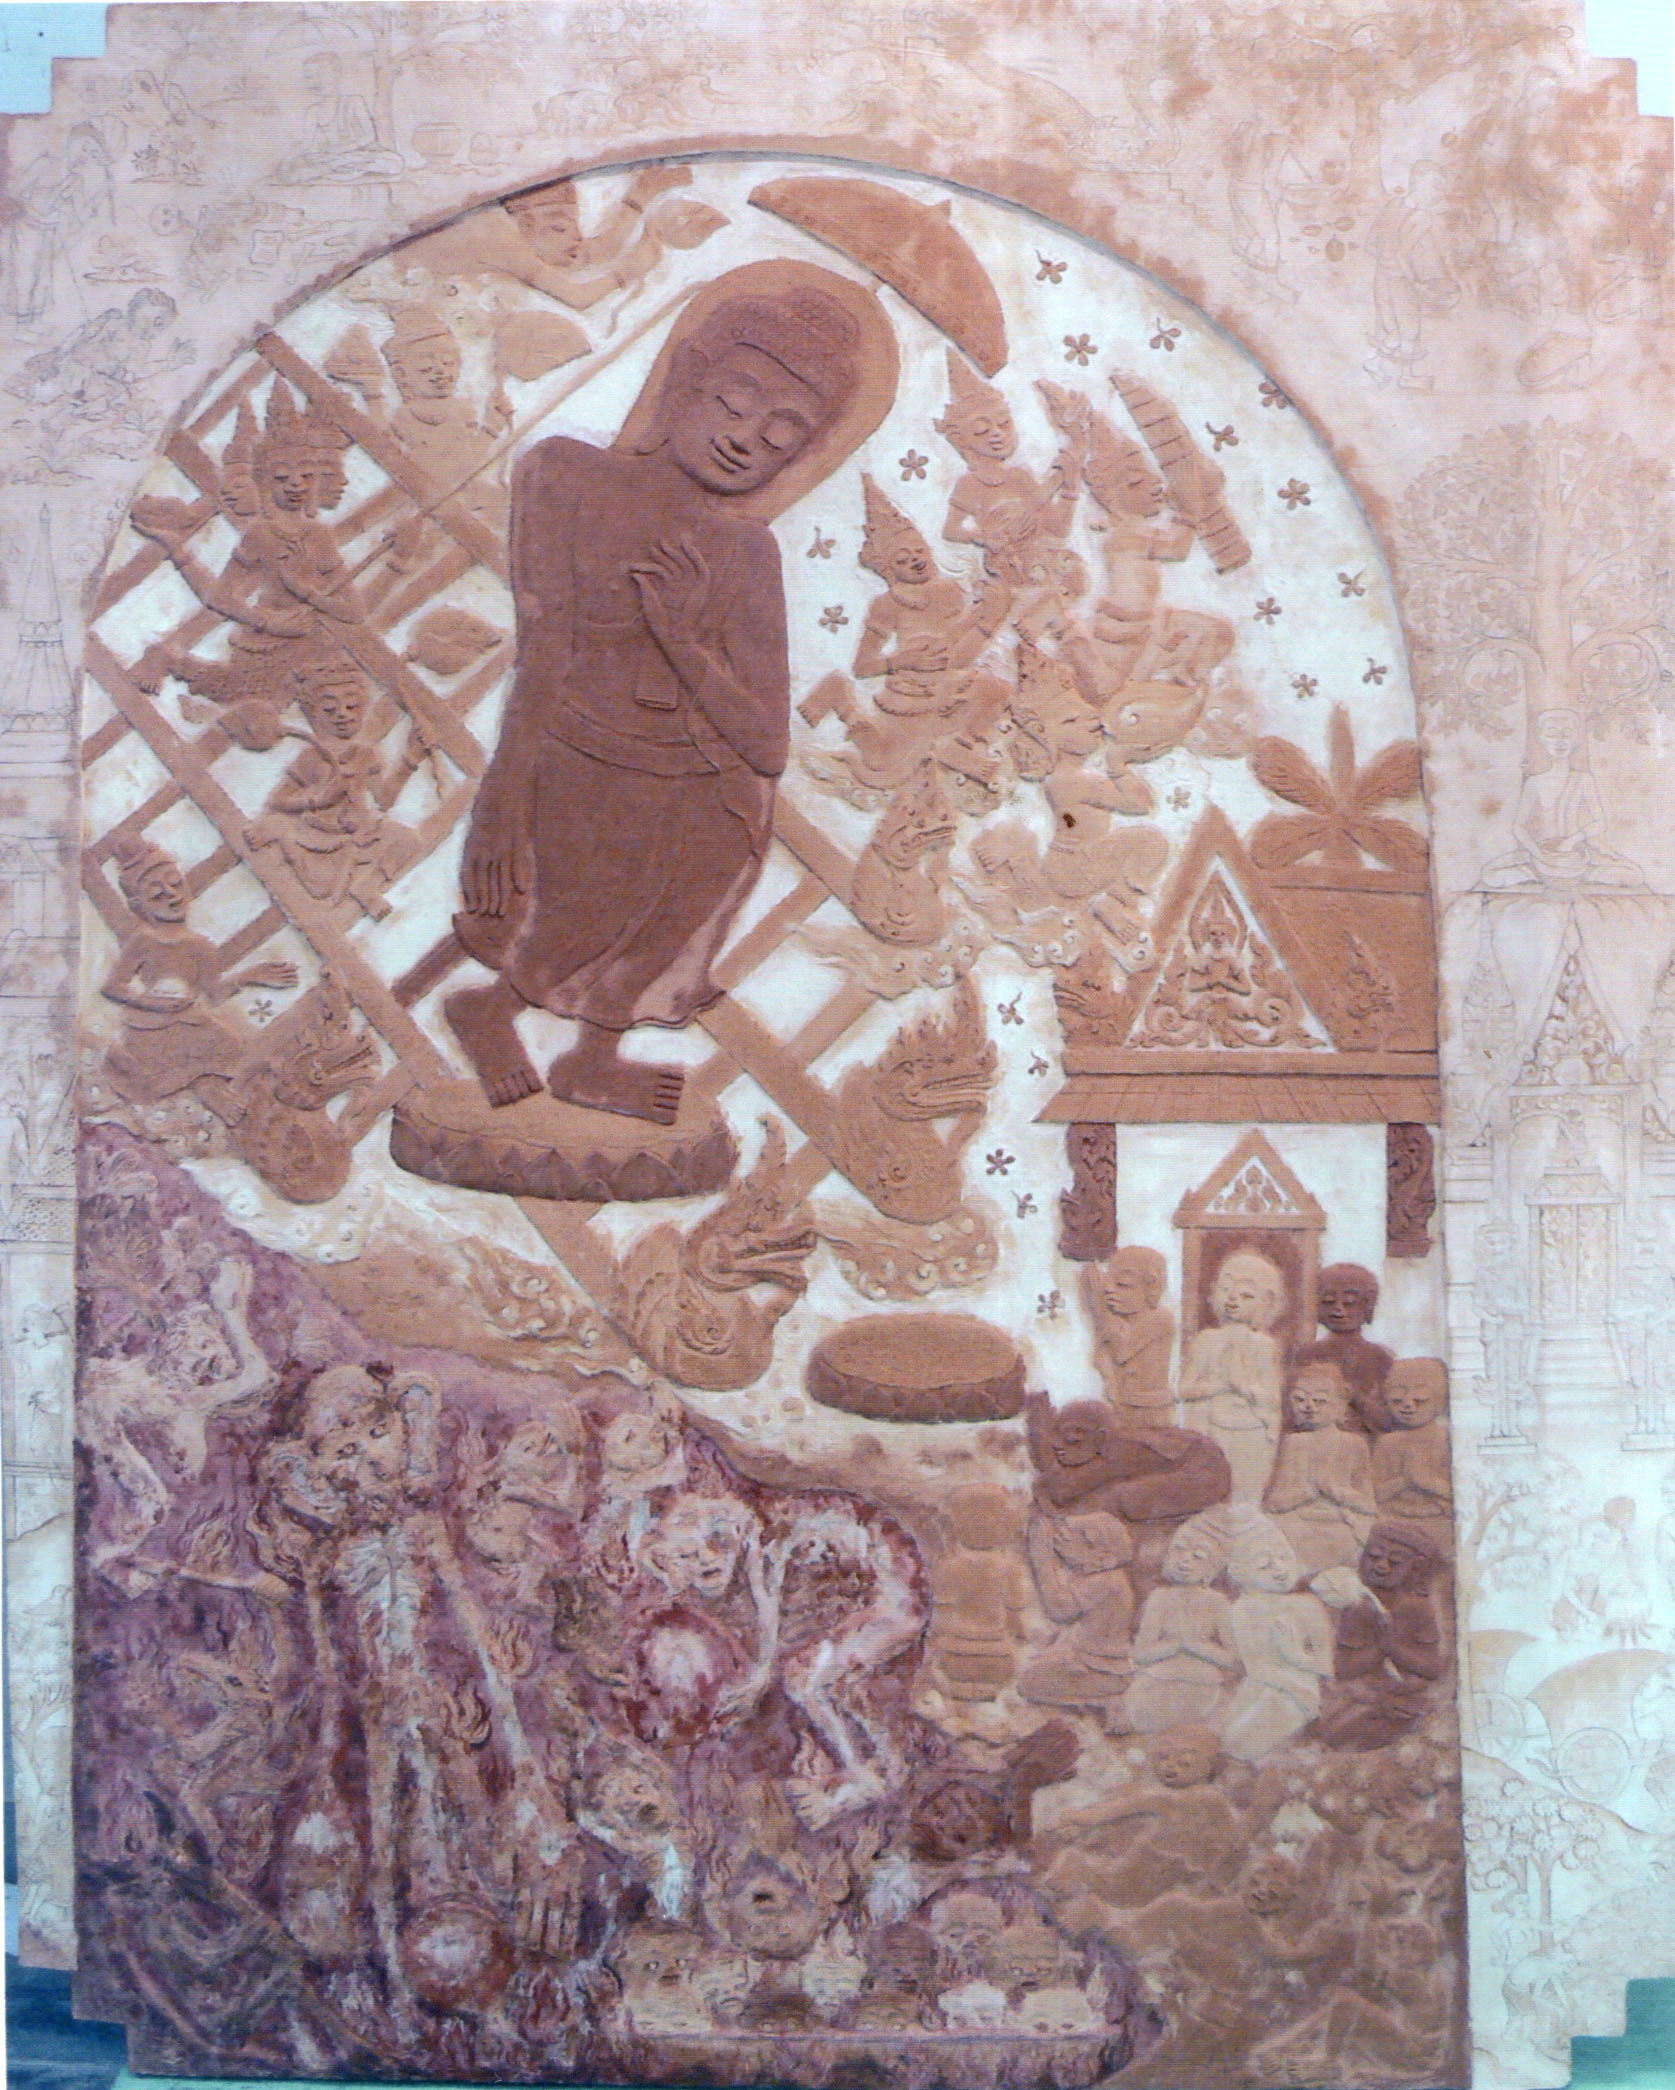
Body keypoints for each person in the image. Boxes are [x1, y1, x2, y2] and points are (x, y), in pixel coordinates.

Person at [445, 279, 869, 1123]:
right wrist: (500, 799)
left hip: (697, 783)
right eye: (736, 402)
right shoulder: (565, 476)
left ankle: (592, 1057)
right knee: (593, 892)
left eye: (782, 432)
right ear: (685, 379)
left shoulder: (746, 552)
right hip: (575, 757)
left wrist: (682, 637)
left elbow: (767, 746)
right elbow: (543, 648)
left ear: (802, 453)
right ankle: (489, 1010)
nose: (745, 438)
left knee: (706, 857)